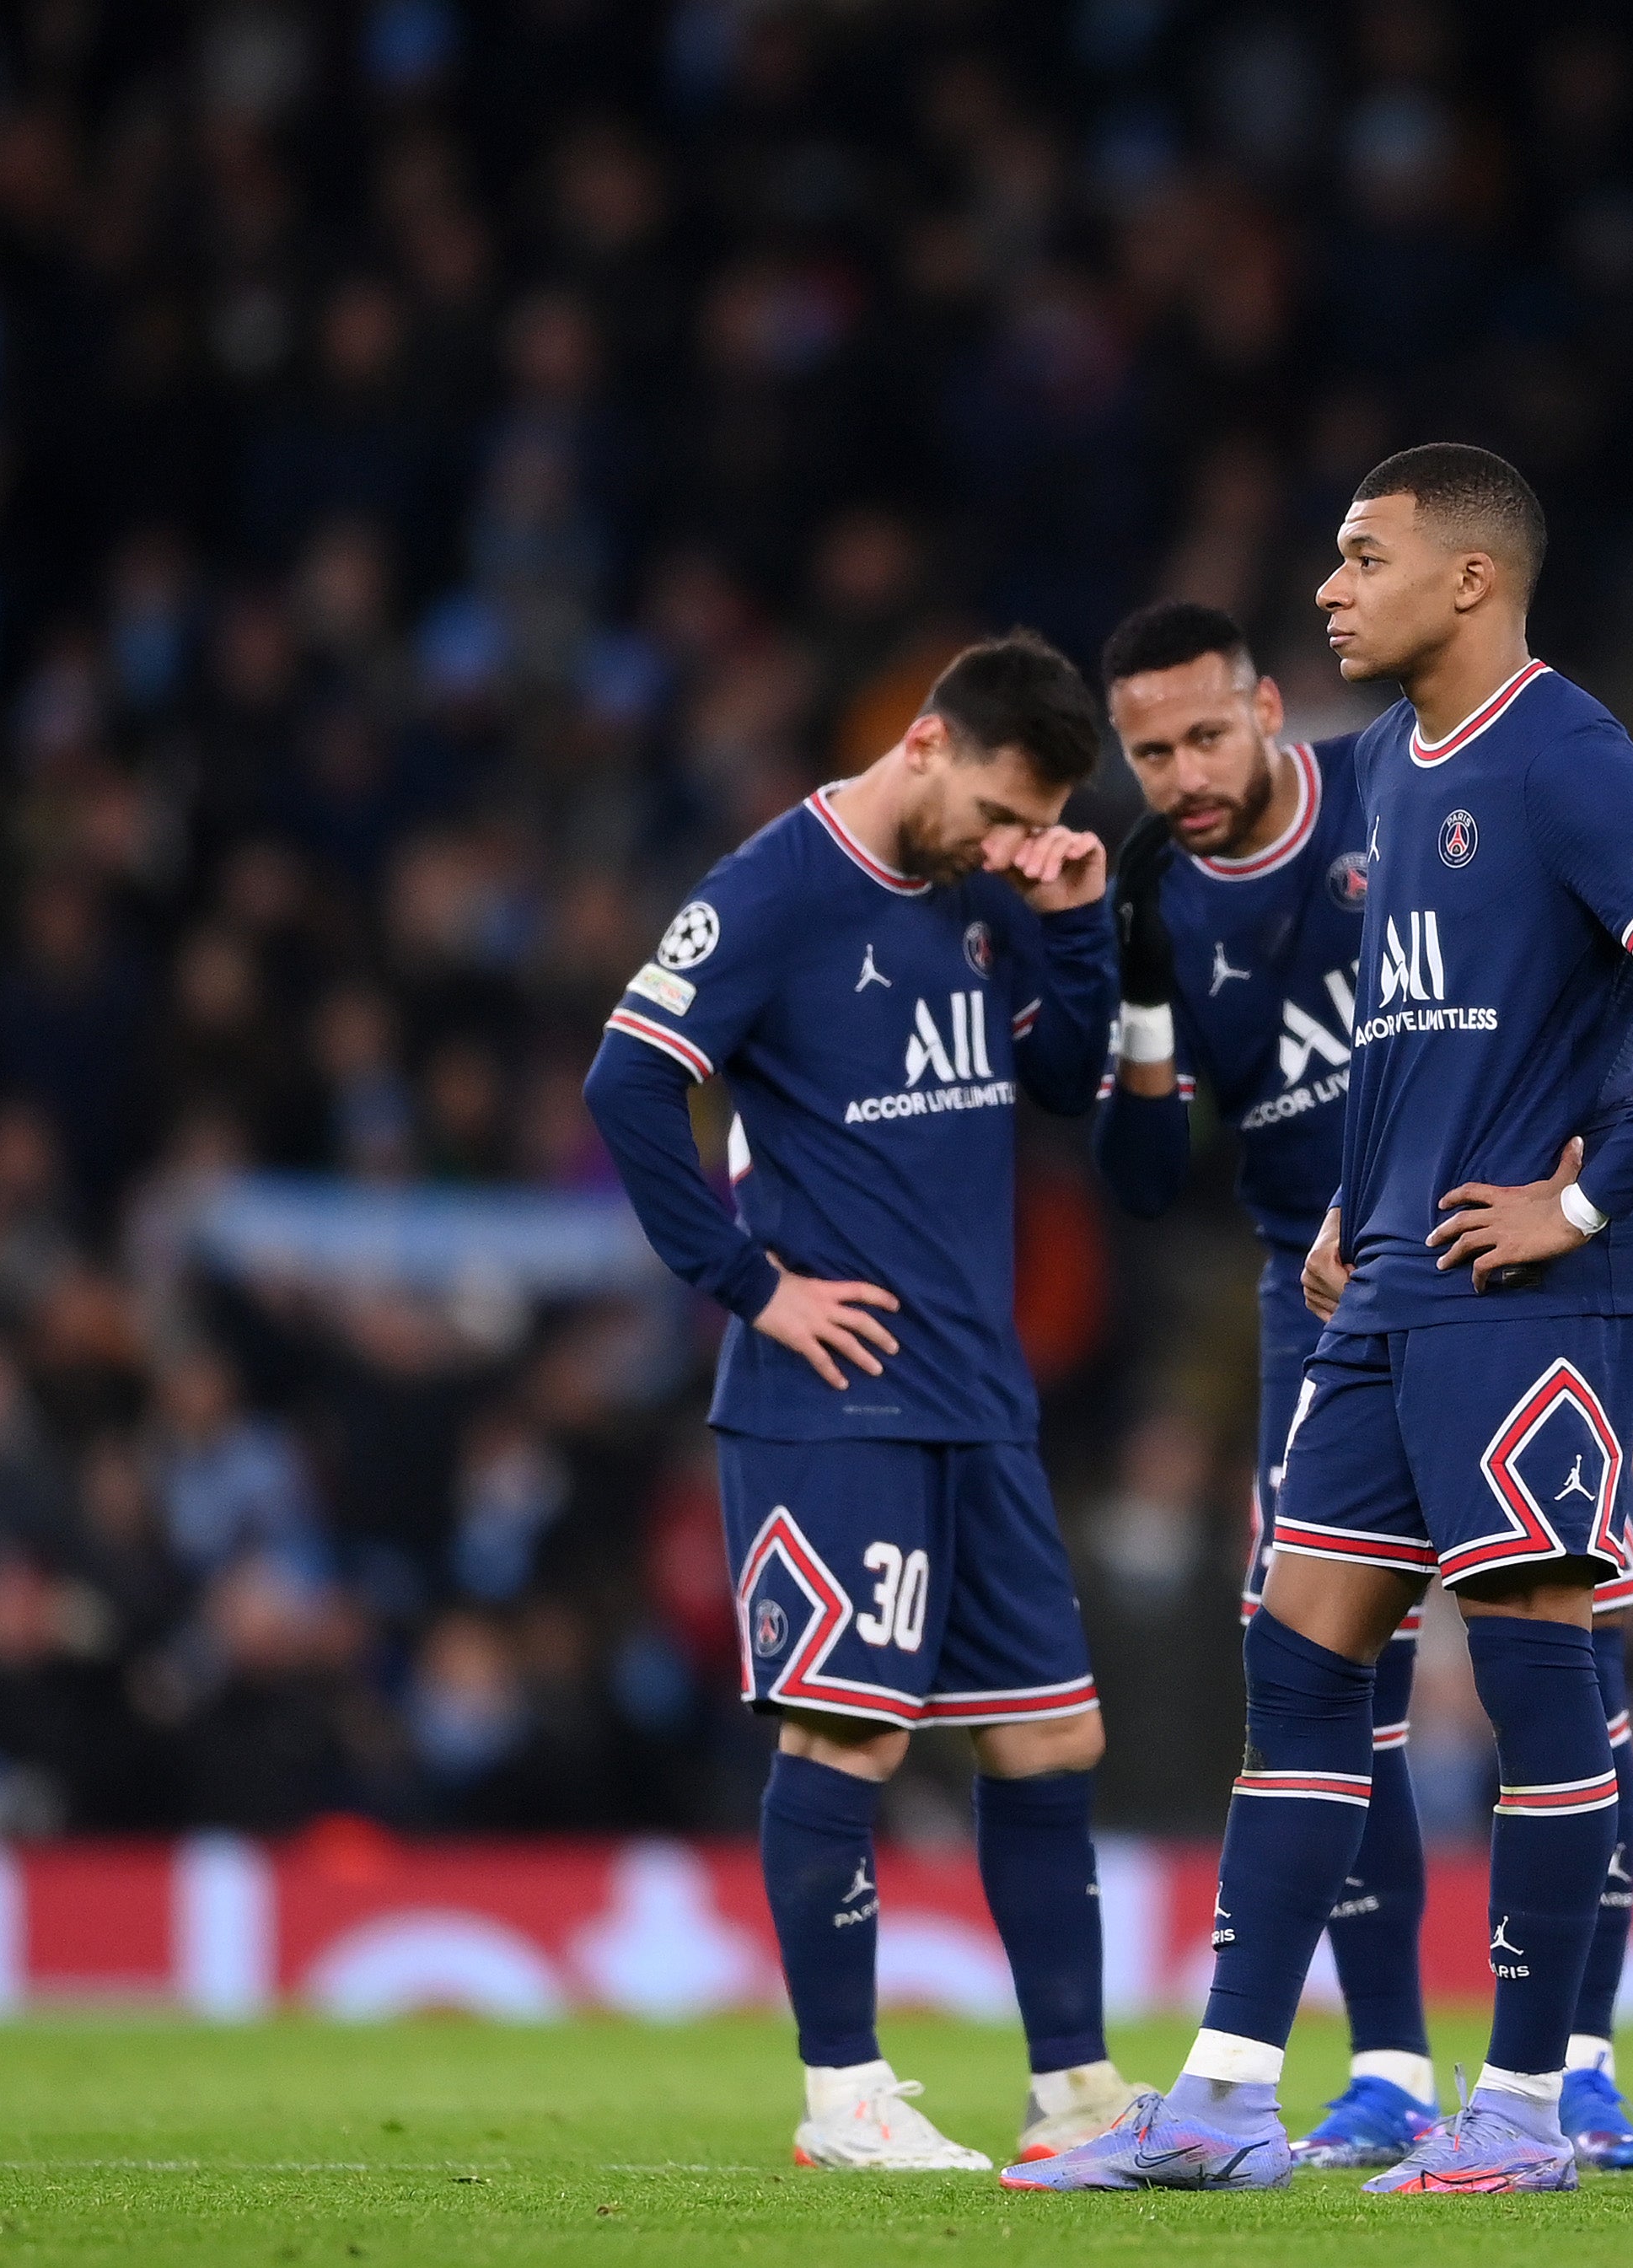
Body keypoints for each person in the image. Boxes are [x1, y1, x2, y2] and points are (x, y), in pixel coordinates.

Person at [1015, 447, 1633, 2195]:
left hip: (1530, 1286)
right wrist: (1362, 1206)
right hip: (1387, 1282)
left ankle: (1523, 2104)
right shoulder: (1380, 773)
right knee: (1298, 1658)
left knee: (1536, 1682)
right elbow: (1403, 1027)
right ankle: (1224, 2098)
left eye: (1361, 556)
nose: (1326, 585)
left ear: (1467, 579)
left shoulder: (1562, 748)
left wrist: (1581, 1198)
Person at [1088, 598, 1633, 2172]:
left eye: (1206, 732)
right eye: (1148, 751)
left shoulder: (1402, 784)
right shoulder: (1156, 893)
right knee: (1321, 1665)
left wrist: (1586, 1191)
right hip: (1318, 1288)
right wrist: (1136, 987)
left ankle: (1575, 2066)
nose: (1185, 772)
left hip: (1486, 1264)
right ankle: (1388, 2069)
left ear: (1268, 707)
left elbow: (1620, 977)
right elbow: (1146, 1174)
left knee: (1555, 1642)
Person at [583, 631, 1136, 2172]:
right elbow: (626, 1081)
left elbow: (1066, 1080)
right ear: (925, 747)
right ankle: (844, 2096)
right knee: (845, 1741)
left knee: (1050, 1742)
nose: (1013, 845)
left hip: (979, 1391)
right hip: (833, 1399)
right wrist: (753, 1286)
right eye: (1004, 813)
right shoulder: (772, 887)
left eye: (1037, 826)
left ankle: (1077, 2097)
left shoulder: (990, 894)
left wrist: (1075, 925)